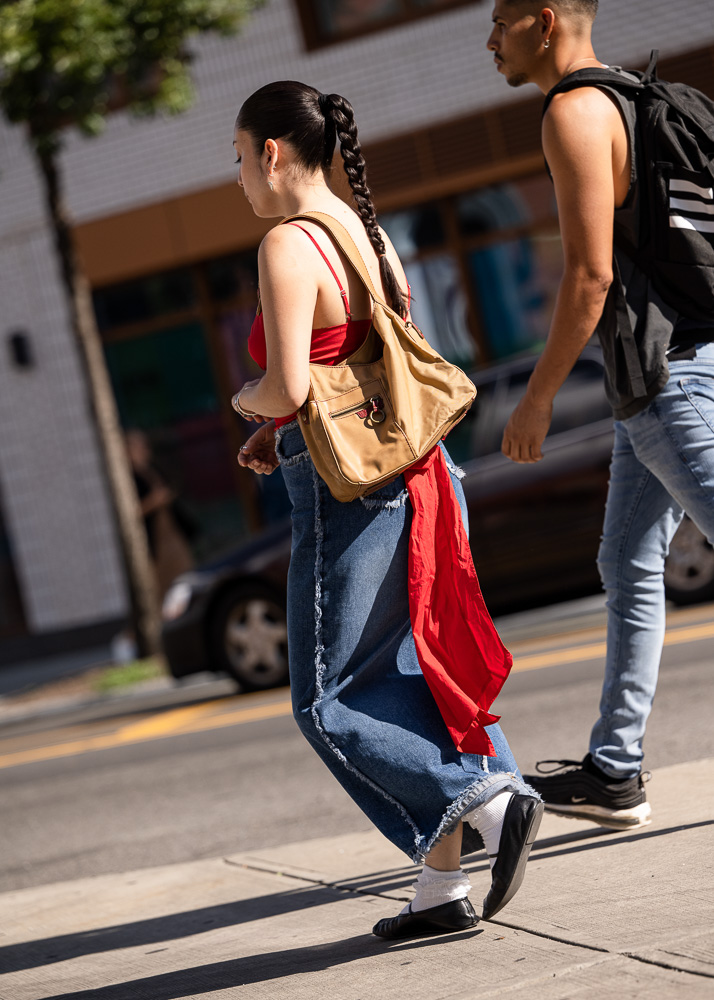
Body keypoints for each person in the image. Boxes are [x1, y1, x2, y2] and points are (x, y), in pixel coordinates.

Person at [230, 80, 543, 939]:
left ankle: (488, 799)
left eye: (239, 159)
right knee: (414, 671)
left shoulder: (288, 244)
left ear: (272, 152)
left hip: (349, 494)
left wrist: (248, 408)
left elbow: (290, 381)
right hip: (420, 472)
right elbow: (364, 368)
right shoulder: (372, 236)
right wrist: (282, 432)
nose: (242, 182)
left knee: (326, 699)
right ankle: (440, 893)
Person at [487, 0, 714, 829]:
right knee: (627, 564)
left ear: (544, 22)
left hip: (668, 375)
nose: (489, 39)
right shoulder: (636, 93)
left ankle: (616, 766)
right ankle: (615, 768)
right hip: (671, 367)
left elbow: (588, 278)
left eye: (501, 20)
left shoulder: (575, 112)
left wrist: (536, 400)